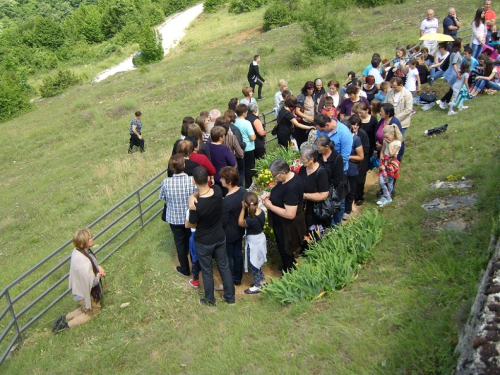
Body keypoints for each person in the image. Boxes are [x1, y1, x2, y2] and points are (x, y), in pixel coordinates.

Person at [187, 167, 235, 306]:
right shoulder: (218, 191)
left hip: (203, 241)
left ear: (193, 181)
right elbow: (208, 190)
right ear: (208, 178)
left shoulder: (196, 206)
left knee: (207, 270)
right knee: (224, 266)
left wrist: (193, 196)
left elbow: (193, 224)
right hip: (220, 237)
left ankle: (209, 299)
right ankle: (230, 297)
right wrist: (194, 195)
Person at [51, 229, 105, 332]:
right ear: (84, 241)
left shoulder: (79, 252)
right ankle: (65, 325)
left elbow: (92, 264)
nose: (92, 238)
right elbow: (92, 282)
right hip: (84, 294)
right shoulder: (82, 261)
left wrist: (98, 267)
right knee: (94, 312)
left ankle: (64, 317)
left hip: (79, 292)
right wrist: (98, 275)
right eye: (90, 238)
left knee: (85, 308)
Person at [262, 159, 306, 273]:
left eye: (274, 175)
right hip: (280, 223)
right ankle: (289, 264)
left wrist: (270, 206)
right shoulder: (288, 178)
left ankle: (289, 272)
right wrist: (270, 195)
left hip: (287, 225)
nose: (274, 178)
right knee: (283, 248)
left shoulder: (292, 187)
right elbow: (281, 192)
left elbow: (290, 214)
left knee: (286, 247)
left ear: (283, 173)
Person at [160, 154, 198, 277]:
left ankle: (185, 269)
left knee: (180, 243)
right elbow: (198, 194)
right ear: (184, 165)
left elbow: (162, 197)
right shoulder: (191, 180)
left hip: (174, 218)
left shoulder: (166, 182)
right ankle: (196, 268)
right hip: (189, 217)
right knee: (192, 241)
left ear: (171, 168)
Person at [220, 166, 246, 286]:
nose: (220, 180)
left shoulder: (227, 201)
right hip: (239, 229)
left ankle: (229, 280)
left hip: (229, 233)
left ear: (229, 182)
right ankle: (237, 278)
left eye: (223, 179)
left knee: (228, 257)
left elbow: (223, 221)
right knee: (238, 254)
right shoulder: (243, 191)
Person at [238, 192, 267, 294]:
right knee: (258, 261)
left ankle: (257, 285)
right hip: (261, 239)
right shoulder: (262, 212)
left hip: (253, 242)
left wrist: (242, 209)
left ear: (245, 204)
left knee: (253, 263)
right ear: (257, 202)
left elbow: (240, 222)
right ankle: (262, 280)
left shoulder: (250, 219)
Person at [315, 135, 345, 226]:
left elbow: (337, 179)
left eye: (319, 147)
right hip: (320, 188)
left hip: (334, 190)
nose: (317, 149)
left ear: (327, 147)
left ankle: (336, 225)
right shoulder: (318, 155)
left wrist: (325, 187)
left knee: (336, 209)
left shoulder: (337, 158)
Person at [298, 146, 330, 230]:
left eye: (303, 159)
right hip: (304, 208)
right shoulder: (303, 168)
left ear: (311, 159)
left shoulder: (321, 172)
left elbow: (324, 195)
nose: (301, 162)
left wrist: (304, 196)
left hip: (316, 209)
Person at [343, 117, 364, 220]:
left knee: (350, 190)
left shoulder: (356, 139)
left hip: (351, 169)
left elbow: (360, 157)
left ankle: (347, 210)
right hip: (341, 170)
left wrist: (346, 156)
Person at [377, 125, 402, 207]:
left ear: (393, 134)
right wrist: (381, 156)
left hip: (392, 163)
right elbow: (383, 149)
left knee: (389, 182)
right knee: (381, 181)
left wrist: (390, 143)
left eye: (387, 137)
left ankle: (387, 197)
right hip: (385, 162)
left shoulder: (397, 143)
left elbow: (392, 153)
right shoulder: (385, 141)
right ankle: (387, 197)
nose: (386, 139)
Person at [437, 39, 463, 109]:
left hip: (451, 72)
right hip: (453, 73)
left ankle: (446, 102)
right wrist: (457, 73)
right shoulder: (456, 53)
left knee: (452, 89)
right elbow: (454, 63)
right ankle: (442, 101)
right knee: (452, 89)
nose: (462, 44)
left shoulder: (453, 52)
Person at [234, 103, 256, 188]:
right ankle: (248, 185)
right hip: (249, 147)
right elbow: (252, 137)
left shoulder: (234, 122)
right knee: (249, 167)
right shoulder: (247, 123)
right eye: (246, 111)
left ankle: (240, 184)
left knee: (241, 168)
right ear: (243, 112)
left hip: (238, 148)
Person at [295, 81, 316, 148]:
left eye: (312, 89)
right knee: (303, 139)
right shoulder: (302, 96)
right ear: (306, 89)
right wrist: (307, 117)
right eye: (309, 89)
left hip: (312, 120)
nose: (311, 91)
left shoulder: (313, 96)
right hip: (304, 121)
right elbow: (297, 111)